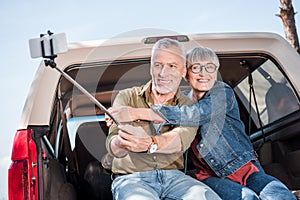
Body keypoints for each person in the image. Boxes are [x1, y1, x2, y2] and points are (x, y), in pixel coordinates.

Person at [111, 47, 296, 200]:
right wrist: (121, 118)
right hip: (210, 176)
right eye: (196, 68)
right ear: (186, 74)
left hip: (243, 167)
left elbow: (196, 114)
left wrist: (136, 112)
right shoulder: (183, 101)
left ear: (216, 71)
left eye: (210, 68)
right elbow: (168, 129)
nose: (203, 74)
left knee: (278, 194)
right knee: (247, 198)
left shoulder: (222, 92)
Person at [105, 39, 221, 200]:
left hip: (176, 178)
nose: (162, 73)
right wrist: (122, 143)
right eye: (158, 65)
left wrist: (150, 143)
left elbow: (181, 139)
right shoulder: (127, 96)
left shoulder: (187, 105)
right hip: (131, 179)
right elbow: (113, 145)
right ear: (151, 67)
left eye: (172, 66)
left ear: (183, 71)